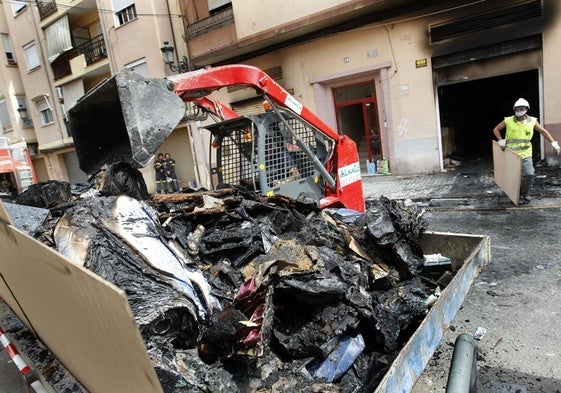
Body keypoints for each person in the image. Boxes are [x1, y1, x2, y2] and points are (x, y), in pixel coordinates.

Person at [493, 98, 560, 204]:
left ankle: (526, 193)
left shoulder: (533, 121)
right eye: (516, 109)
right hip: (511, 153)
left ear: (526, 109)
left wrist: (553, 142)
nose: (519, 111)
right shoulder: (508, 120)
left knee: (529, 174)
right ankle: (516, 195)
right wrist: (500, 140)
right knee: (515, 176)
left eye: (521, 108)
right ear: (514, 110)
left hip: (526, 153)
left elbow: (543, 131)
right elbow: (496, 129)